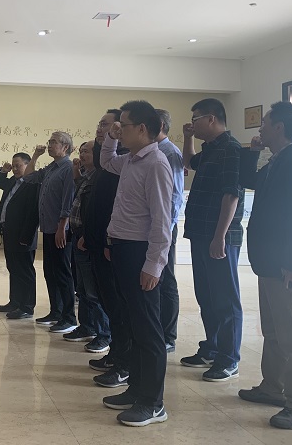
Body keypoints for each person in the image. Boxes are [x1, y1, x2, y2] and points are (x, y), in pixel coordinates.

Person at [238, 102, 292, 430]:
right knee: (273, 330)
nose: (260, 128)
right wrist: (253, 152)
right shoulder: (276, 161)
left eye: (265, 123)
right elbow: (248, 180)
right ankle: (273, 387)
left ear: (279, 128)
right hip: (269, 263)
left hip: (285, 267)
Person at [99, 100, 173, 427]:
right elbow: (105, 161)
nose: (119, 130)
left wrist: (154, 265)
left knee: (148, 329)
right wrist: (111, 137)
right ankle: (136, 390)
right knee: (133, 323)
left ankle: (153, 403)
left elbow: (162, 220)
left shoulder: (156, 163)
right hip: (123, 248)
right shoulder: (131, 159)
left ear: (142, 129)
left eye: (124, 125)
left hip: (141, 252)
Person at [181, 98, 245, 382]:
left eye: (195, 119)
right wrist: (187, 138)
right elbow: (189, 162)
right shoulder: (210, 149)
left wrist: (220, 236)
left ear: (211, 119)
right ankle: (212, 347)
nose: (192, 123)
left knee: (225, 298)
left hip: (219, 236)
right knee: (206, 295)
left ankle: (229, 359)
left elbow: (231, 194)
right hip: (200, 232)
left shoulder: (231, 149)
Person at [86, 110, 132, 388]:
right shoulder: (110, 161)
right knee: (109, 304)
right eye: (100, 124)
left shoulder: (127, 162)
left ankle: (125, 363)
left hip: (112, 246)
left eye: (106, 124)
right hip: (99, 243)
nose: (101, 129)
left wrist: (106, 241)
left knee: (119, 306)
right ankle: (116, 354)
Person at [22, 131, 76, 334]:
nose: (50, 145)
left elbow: (68, 200)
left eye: (54, 142)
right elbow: (28, 177)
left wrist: (62, 227)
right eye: (50, 141)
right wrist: (35, 156)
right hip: (48, 228)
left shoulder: (68, 168)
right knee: (50, 272)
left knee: (62, 273)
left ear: (65, 147)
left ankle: (69, 317)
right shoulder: (51, 168)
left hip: (60, 230)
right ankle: (56, 312)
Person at [67, 141, 111, 353]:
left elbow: (97, 211)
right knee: (82, 288)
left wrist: (86, 234)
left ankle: (104, 335)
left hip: (88, 239)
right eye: (81, 151)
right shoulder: (87, 177)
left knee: (94, 291)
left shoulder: (101, 178)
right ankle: (87, 326)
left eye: (87, 151)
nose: (82, 155)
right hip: (78, 237)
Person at [0, 153, 40, 319]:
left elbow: (33, 213)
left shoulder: (33, 184)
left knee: (25, 271)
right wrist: (2, 171)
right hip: (10, 232)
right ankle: (15, 302)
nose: (15, 169)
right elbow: (0, 183)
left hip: (23, 234)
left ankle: (27, 307)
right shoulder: (13, 181)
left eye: (18, 165)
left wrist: (26, 236)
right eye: (13, 166)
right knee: (13, 268)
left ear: (28, 165)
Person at [154, 109, 184, 353]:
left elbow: (174, 195)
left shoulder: (170, 152)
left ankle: (168, 335)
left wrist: (167, 227)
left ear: (161, 125)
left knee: (166, 279)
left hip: (165, 226)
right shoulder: (152, 150)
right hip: (153, 225)